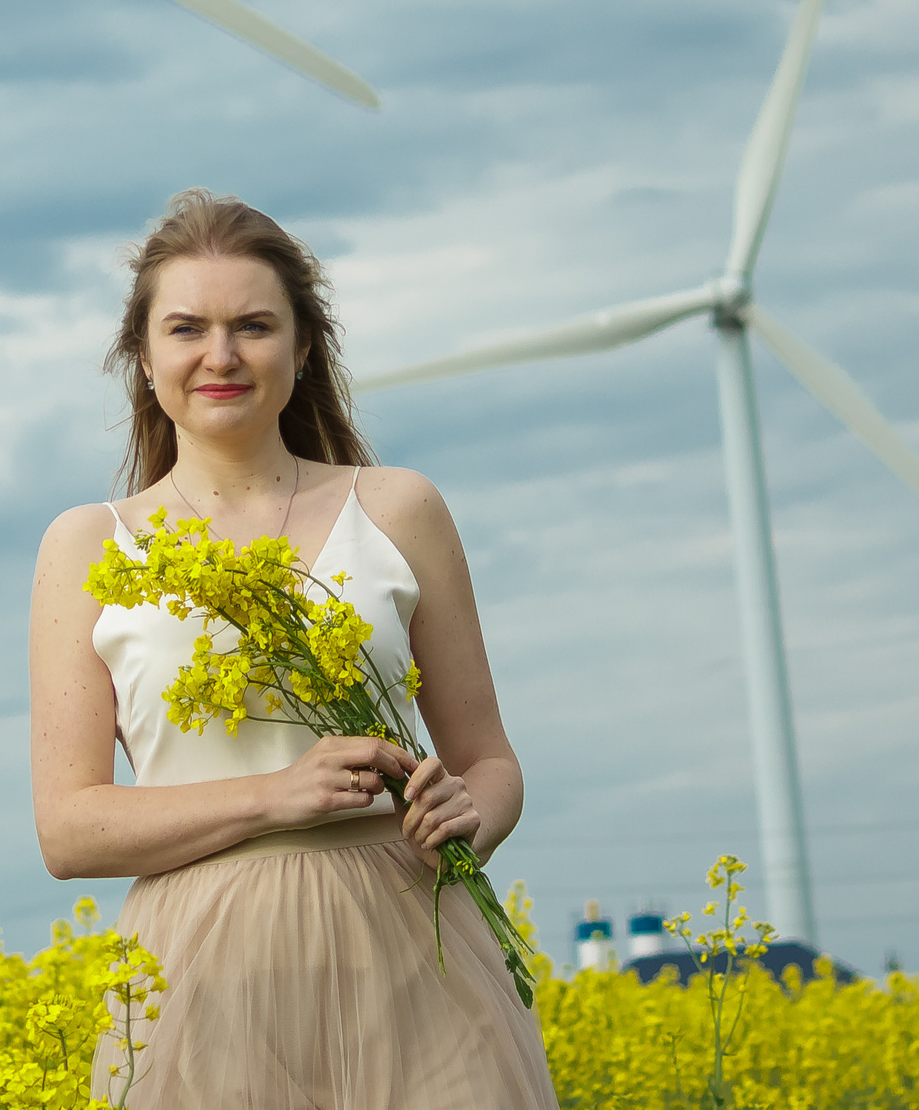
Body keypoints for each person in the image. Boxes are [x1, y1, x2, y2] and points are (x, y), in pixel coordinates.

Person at [29, 190, 555, 1107]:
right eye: (187, 327)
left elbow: (491, 759)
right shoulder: (88, 545)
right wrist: (278, 794)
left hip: (418, 948)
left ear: (303, 347)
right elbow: (68, 829)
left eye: (254, 325)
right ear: (142, 357)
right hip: (201, 972)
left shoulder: (399, 509)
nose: (221, 355)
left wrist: (472, 815)